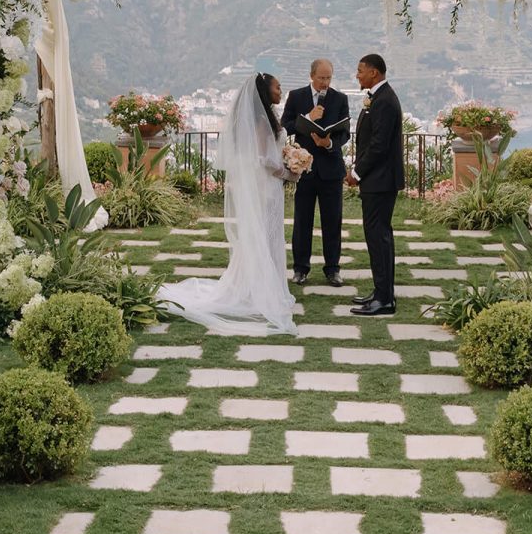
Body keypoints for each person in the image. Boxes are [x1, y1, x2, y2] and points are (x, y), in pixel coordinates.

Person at [160, 74, 300, 335]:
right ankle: (260, 290)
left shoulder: (262, 119)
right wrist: (289, 173)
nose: (281, 91)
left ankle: (260, 286)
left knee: (264, 236)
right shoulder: (261, 122)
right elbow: (264, 160)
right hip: (267, 187)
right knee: (266, 237)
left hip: (267, 186)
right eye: (277, 87)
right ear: (265, 91)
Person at [283, 58, 351, 287]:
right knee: (302, 221)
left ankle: (333, 269)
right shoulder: (296, 96)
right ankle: (300, 269)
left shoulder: (340, 99)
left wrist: (329, 143)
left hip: (331, 169)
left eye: (328, 78)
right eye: (321, 78)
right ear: (312, 75)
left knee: (333, 221)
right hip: (304, 169)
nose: (325, 82)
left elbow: (345, 133)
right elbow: (284, 126)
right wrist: (308, 118)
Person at [347, 53, 404, 317]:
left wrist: (356, 173)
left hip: (380, 181)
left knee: (378, 238)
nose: (357, 75)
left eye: (360, 70)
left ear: (374, 72)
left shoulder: (385, 101)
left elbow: (379, 145)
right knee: (378, 237)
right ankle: (382, 292)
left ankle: (384, 299)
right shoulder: (379, 98)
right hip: (377, 181)